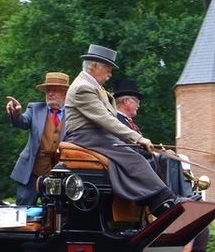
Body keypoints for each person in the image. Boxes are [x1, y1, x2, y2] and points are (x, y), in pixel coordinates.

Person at [63, 45, 178, 216]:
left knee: (133, 153)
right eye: (108, 70)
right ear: (94, 66)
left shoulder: (92, 86)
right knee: (133, 158)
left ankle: (152, 199)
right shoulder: (82, 88)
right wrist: (138, 139)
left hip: (98, 135)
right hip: (86, 136)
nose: (109, 75)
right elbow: (106, 119)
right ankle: (162, 201)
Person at [6, 71, 69, 206]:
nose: (50, 93)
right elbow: (21, 122)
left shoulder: (73, 115)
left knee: (54, 214)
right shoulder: (35, 108)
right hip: (30, 175)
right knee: (23, 215)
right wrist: (16, 113)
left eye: (55, 90)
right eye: (48, 90)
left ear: (65, 93)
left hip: (57, 176)